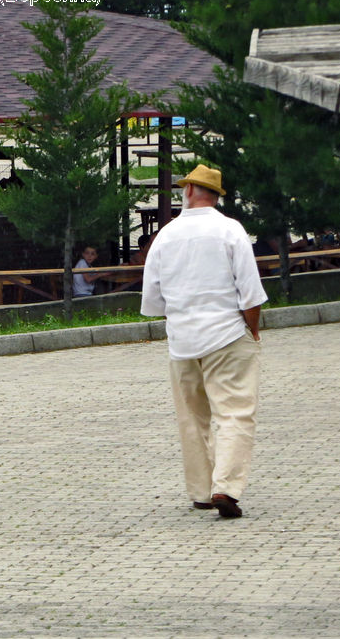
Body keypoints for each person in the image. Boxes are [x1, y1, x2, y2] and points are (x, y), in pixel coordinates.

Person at [140, 164, 268, 519]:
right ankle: (225, 487)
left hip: (182, 341)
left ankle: (199, 491)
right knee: (235, 412)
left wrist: (182, 316)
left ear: (190, 192)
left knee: (192, 417)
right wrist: (252, 330)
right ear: (215, 195)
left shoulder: (165, 235)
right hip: (227, 334)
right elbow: (251, 293)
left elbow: (152, 299)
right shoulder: (230, 230)